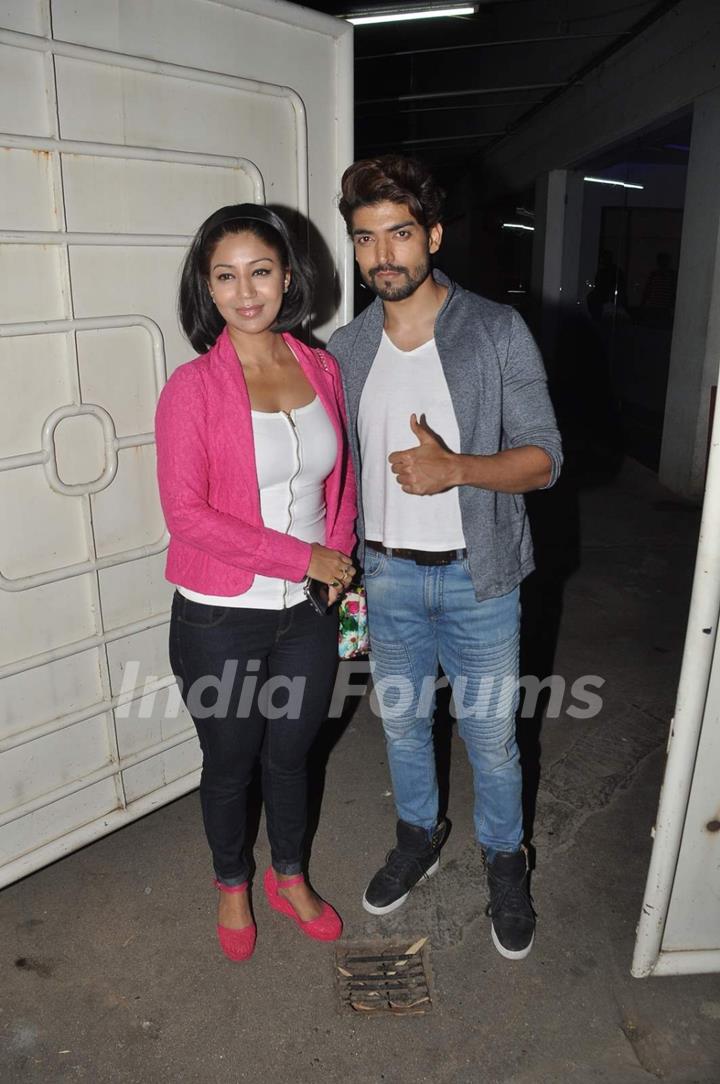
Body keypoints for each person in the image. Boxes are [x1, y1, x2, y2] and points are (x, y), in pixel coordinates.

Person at [328, 156, 562, 960]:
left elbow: (545, 459)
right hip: (386, 577)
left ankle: (505, 861)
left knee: (491, 737)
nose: (381, 254)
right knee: (401, 727)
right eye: (365, 239)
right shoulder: (347, 346)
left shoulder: (495, 330)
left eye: (398, 233)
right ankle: (418, 837)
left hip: (478, 576)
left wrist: (457, 468)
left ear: (431, 234)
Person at [155, 204, 356, 962]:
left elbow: (342, 484)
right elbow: (188, 515)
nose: (246, 292)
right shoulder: (193, 389)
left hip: (306, 614)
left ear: (288, 277)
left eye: (260, 271)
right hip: (219, 616)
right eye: (225, 276)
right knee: (233, 760)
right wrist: (304, 559)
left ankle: (291, 875)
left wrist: (332, 558)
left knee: (294, 754)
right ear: (206, 289)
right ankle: (233, 885)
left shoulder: (319, 366)